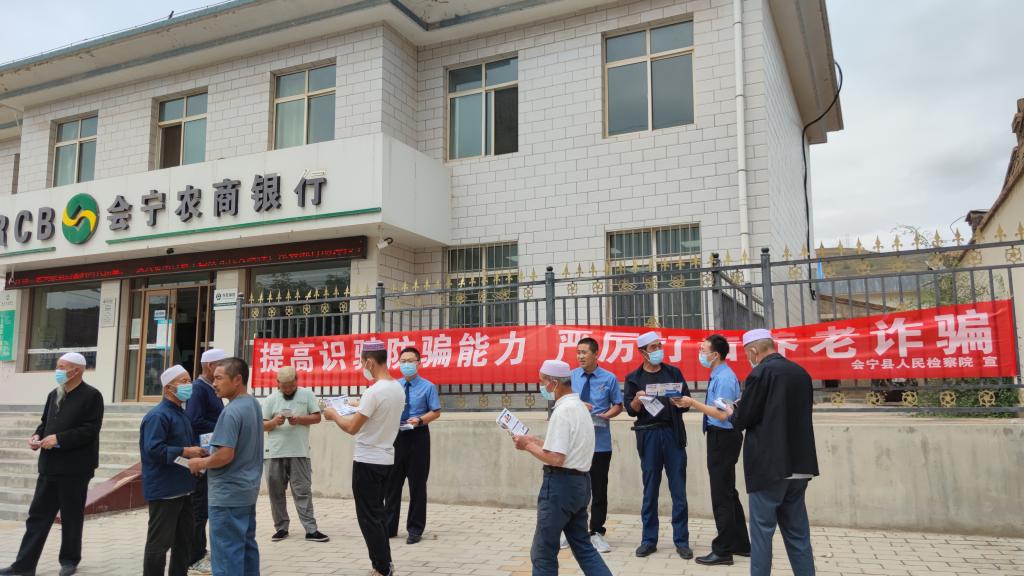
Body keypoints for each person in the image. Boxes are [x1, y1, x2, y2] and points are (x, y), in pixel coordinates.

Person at [725, 329, 819, 576]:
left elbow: (743, 419)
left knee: (762, 534)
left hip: (769, 467)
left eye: (747, 353)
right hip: (800, 465)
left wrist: (732, 412)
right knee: (798, 534)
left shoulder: (760, 373)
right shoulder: (800, 373)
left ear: (754, 350)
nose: (749, 358)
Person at [0, 352, 104, 576]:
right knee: (37, 516)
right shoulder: (54, 394)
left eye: (62, 367)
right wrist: (37, 436)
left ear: (77, 370)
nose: (58, 371)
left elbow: (90, 430)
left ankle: (69, 560)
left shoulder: (92, 396)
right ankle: (24, 565)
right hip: (49, 466)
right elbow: (44, 423)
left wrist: (59, 439)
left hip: (75, 468)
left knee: (71, 516)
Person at [512, 360, 611, 576]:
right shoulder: (580, 407)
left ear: (554, 383)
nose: (542, 387)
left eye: (543, 382)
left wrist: (527, 445)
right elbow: (568, 446)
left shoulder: (563, 411)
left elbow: (556, 458)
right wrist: (535, 441)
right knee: (583, 547)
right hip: (580, 484)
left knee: (543, 552)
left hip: (560, 487)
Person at [323, 340, 404, 576]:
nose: (362, 367)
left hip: (367, 460)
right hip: (386, 458)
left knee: (369, 518)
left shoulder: (374, 391)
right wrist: (354, 404)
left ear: (369, 362)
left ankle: (381, 568)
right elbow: (377, 410)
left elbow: (351, 428)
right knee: (378, 514)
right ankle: (385, 563)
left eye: (362, 362)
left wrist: (334, 414)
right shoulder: (396, 387)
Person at [672, 334, 751, 566]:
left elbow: (722, 414)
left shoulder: (724, 378)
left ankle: (723, 551)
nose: (700, 353)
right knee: (728, 491)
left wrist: (692, 403)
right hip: (721, 437)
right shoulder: (719, 374)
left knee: (721, 494)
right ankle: (740, 543)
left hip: (723, 437)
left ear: (715, 355)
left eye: (703, 350)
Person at [187, 358, 264, 576]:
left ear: (237, 379)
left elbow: (225, 454)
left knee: (226, 555)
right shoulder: (252, 404)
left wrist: (200, 462)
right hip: (246, 490)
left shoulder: (231, 412)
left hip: (227, 495)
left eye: (219, 378)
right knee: (246, 549)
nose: (214, 384)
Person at [622, 331, 693, 560]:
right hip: (649, 435)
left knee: (678, 489)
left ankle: (681, 541)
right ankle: (648, 540)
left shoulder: (673, 372)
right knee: (650, 488)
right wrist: (637, 399)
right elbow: (630, 410)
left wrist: (679, 401)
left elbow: (686, 403)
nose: (658, 350)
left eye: (659, 346)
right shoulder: (634, 378)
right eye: (653, 347)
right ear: (642, 352)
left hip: (672, 433)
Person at [140, 365, 206, 576]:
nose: (189, 385)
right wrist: (185, 451)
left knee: (184, 541)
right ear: (168, 388)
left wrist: (197, 455)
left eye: (189, 381)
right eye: (183, 382)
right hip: (165, 489)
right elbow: (153, 450)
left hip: (185, 487)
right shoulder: (158, 416)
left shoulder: (182, 414)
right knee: (159, 544)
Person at [564, 337, 622, 553]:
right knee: (574, 488)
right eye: (578, 352)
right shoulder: (570, 377)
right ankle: (571, 532)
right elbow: (562, 402)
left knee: (599, 489)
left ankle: (596, 532)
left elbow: (618, 405)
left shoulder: (609, 378)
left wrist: (606, 415)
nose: (580, 356)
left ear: (596, 354)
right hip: (576, 443)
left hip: (600, 443)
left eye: (584, 352)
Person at [262, 366, 329, 544]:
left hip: (299, 451)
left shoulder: (307, 395)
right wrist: (274, 422)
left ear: (297, 381)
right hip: (274, 453)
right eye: (284, 387)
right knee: (276, 493)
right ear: (277, 384)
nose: (288, 390)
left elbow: (317, 417)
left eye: (291, 386)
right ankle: (281, 528)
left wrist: (298, 419)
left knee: (303, 491)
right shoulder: (270, 399)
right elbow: (261, 425)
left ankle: (311, 530)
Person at [384, 346, 441, 544]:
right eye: (403, 361)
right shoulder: (394, 386)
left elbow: (436, 411)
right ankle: (389, 527)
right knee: (392, 484)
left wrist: (420, 420)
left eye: (410, 361)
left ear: (419, 363)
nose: (406, 364)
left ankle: (415, 529)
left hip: (418, 436)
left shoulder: (428, 387)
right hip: (397, 436)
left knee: (417, 485)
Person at [185, 348, 227, 572]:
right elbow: (194, 420)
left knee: (204, 507)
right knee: (199, 509)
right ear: (210, 366)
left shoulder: (212, 389)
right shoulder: (198, 389)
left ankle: (199, 550)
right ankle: (194, 556)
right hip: (201, 455)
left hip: (209, 453)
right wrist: (224, 425)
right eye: (221, 364)